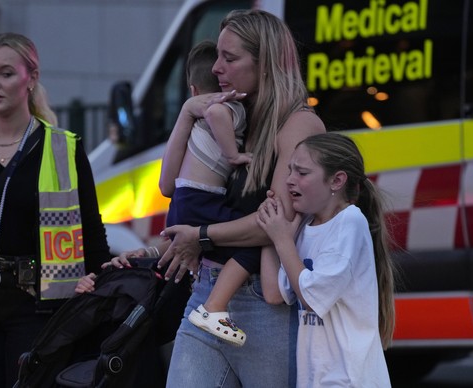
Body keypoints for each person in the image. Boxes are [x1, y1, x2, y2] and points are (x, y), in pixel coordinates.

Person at [108, 9, 326, 387]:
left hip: (265, 304)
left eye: (230, 58)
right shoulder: (230, 116)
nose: (217, 68)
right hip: (207, 290)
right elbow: (177, 189)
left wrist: (201, 236)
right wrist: (151, 254)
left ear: (266, 63)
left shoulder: (299, 123)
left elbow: (275, 223)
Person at [0, 32, 110, 388]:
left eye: (6, 73)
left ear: (32, 78)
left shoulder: (64, 149)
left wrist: (102, 280)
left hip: (38, 306)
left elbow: (91, 230)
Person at [256, 132, 396, 387]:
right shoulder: (306, 225)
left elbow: (311, 297)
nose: (289, 181)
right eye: (289, 171)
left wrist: (282, 240)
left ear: (336, 181)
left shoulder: (350, 222)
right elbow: (275, 294)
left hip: (348, 379)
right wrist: (271, 231)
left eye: (302, 173)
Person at [160, 39, 254, 346]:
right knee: (254, 237)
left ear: (192, 89)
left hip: (182, 202)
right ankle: (214, 307)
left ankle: (210, 301)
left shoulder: (193, 121)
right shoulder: (229, 108)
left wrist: (188, 111)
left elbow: (165, 186)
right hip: (202, 199)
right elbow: (217, 115)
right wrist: (234, 155)